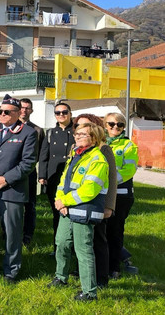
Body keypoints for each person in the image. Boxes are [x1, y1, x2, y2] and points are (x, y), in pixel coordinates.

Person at [0, 94, 37, 282]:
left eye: (7, 112)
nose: (2, 115)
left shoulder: (28, 133)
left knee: (12, 233)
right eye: (0, 111)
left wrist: (5, 179)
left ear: (18, 113)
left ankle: (11, 270)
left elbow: (28, 163)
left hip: (12, 191)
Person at [48, 122, 109, 302]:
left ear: (94, 138)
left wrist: (64, 201)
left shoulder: (97, 159)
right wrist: (59, 201)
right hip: (66, 209)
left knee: (83, 251)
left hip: (84, 211)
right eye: (77, 134)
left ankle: (89, 292)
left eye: (82, 134)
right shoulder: (75, 156)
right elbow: (62, 182)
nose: (77, 137)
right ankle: (61, 277)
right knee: (62, 243)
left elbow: (89, 190)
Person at [73, 113, 117, 288]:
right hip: (78, 203)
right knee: (81, 241)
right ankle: (81, 272)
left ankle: (101, 277)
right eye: (78, 126)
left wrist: (109, 205)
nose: (81, 129)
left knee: (98, 239)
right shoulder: (76, 148)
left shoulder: (104, 149)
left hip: (98, 204)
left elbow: (112, 179)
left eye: (86, 126)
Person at [104, 112, 139, 280]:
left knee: (115, 231)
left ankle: (114, 268)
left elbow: (130, 169)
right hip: (102, 193)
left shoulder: (128, 145)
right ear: (105, 125)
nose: (115, 127)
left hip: (121, 195)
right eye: (111, 124)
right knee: (103, 231)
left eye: (119, 125)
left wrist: (110, 181)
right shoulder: (100, 143)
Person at [39, 101, 75, 247]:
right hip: (54, 177)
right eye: (57, 113)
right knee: (57, 213)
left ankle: (72, 246)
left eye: (64, 112)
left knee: (71, 213)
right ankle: (57, 246)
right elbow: (43, 156)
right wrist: (42, 175)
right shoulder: (50, 133)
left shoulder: (77, 132)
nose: (61, 115)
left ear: (70, 114)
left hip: (72, 178)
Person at [19, 98, 45, 246]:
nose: (24, 111)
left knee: (30, 205)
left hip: (29, 173)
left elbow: (41, 154)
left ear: (31, 110)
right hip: (11, 173)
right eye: (22, 107)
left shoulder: (38, 131)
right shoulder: (9, 127)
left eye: (27, 108)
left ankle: (28, 234)